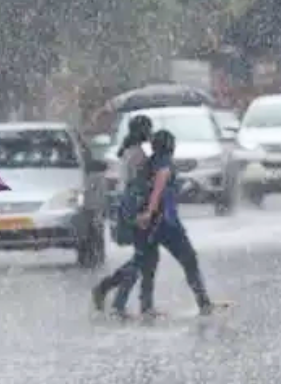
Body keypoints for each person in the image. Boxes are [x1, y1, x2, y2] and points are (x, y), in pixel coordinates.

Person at [125, 130, 214, 318]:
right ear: (170, 146)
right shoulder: (164, 161)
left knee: (148, 264)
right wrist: (151, 210)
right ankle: (203, 301)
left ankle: (146, 305)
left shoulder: (149, 163)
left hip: (146, 224)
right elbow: (162, 179)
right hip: (164, 223)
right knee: (188, 258)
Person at [91, 115, 154, 314]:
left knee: (142, 257)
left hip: (130, 204)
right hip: (136, 205)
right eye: (149, 129)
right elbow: (142, 182)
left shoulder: (129, 150)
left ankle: (115, 295)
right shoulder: (139, 153)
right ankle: (113, 296)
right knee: (142, 258)